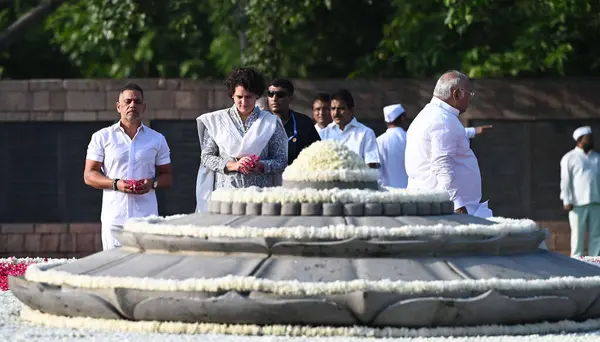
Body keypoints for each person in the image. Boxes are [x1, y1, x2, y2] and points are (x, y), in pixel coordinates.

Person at [84, 83, 173, 250]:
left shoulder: (157, 139)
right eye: (128, 101)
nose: (133, 105)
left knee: (146, 269)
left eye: (137, 101)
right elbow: (89, 175)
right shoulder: (102, 137)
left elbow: (167, 175)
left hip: (146, 218)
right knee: (113, 268)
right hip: (115, 217)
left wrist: (152, 183)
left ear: (143, 107)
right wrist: (116, 184)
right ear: (119, 106)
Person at [195, 67, 288, 212]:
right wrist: (233, 165)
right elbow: (206, 157)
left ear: (257, 95)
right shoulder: (217, 121)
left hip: (261, 200)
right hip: (224, 199)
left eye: (249, 97)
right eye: (239, 97)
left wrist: (259, 165)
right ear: (232, 95)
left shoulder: (271, 122)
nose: (244, 102)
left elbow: (281, 160)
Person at [405, 70, 492, 217]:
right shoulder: (443, 120)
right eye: (469, 94)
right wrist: (458, 207)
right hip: (448, 211)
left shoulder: (429, 115)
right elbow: (442, 165)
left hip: (434, 206)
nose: (470, 99)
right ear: (456, 94)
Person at [560, 126, 600, 257]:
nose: (591, 140)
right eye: (588, 138)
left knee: (597, 235)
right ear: (579, 140)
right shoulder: (569, 158)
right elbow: (565, 180)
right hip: (577, 204)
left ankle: (596, 263)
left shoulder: (597, 157)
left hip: (596, 202)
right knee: (578, 235)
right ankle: (577, 262)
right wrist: (567, 200)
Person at [319, 89, 380, 168]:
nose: (336, 113)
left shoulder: (366, 133)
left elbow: (371, 165)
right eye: (333, 108)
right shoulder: (323, 134)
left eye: (341, 108)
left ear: (351, 110)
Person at [267, 78, 321, 164]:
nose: (274, 98)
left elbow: (318, 152)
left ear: (290, 98)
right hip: (268, 175)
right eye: (270, 94)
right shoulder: (260, 122)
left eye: (280, 95)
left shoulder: (304, 122)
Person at [377, 104, 410, 188]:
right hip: (412, 192)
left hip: (388, 194)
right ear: (402, 118)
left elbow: (377, 173)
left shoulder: (379, 141)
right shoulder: (411, 138)